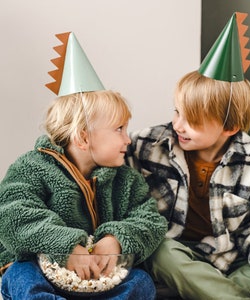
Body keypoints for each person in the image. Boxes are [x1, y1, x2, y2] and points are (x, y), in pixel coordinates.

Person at [126, 12, 250, 300]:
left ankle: (202, 290)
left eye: (192, 120)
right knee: (161, 250)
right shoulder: (148, 145)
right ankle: (222, 293)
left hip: (228, 258)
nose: (178, 125)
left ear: (229, 127)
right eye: (177, 111)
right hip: (175, 253)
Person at [0, 32, 167, 300]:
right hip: (43, 270)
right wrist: (66, 247)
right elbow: (13, 215)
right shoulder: (31, 168)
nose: (128, 139)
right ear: (83, 137)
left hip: (100, 278)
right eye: (119, 129)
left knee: (141, 282)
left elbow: (150, 220)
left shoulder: (127, 180)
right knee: (20, 276)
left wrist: (116, 239)